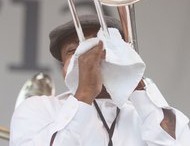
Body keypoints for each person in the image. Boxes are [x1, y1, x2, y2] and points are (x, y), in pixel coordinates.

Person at [10, 15, 190, 146]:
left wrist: (134, 80)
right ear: (63, 67)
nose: (89, 57)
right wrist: (84, 94)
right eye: (73, 52)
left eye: (99, 47)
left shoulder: (141, 113)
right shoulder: (38, 108)